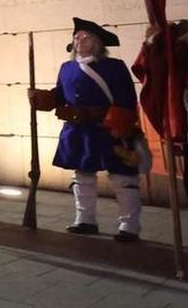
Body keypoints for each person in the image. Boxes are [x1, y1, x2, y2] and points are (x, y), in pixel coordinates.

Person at [30, 18, 143, 242]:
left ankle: (129, 225)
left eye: (86, 37)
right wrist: (41, 98)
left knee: (122, 177)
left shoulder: (114, 67)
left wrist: (120, 127)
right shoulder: (67, 67)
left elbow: (126, 98)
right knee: (82, 177)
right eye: (76, 37)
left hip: (108, 128)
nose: (79, 40)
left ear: (99, 43)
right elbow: (61, 95)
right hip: (77, 130)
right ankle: (85, 220)